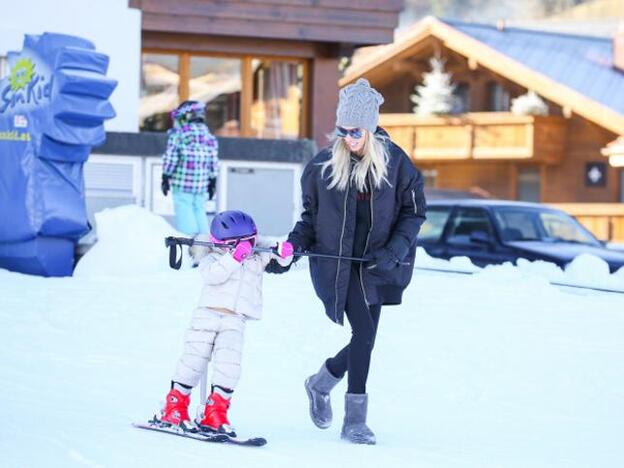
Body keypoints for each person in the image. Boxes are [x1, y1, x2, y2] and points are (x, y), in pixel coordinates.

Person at [267, 78, 427, 444]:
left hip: (379, 264)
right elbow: (310, 220)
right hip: (339, 264)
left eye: (356, 131)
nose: (349, 138)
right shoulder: (324, 166)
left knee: (366, 339)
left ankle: (320, 383)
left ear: (370, 128)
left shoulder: (397, 165)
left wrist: (394, 252)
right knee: (365, 333)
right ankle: (355, 420)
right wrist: (290, 251)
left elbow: (414, 214)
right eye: (343, 130)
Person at [156, 210, 293, 436]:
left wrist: (284, 252)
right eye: (237, 245)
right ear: (220, 244)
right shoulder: (212, 258)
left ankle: (215, 413)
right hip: (207, 316)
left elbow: (280, 259)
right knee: (193, 362)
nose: (246, 248)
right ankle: (174, 408)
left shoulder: (257, 257)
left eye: (249, 242)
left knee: (229, 367)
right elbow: (213, 276)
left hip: (235, 321)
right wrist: (234, 257)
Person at [161, 100, 219, 236]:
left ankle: (188, 238)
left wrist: (166, 175)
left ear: (185, 117)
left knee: (184, 207)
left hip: (182, 182)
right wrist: (212, 180)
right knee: (199, 208)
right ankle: (203, 238)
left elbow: (171, 156)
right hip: (201, 183)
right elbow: (213, 160)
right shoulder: (209, 137)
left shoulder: (179, 134)